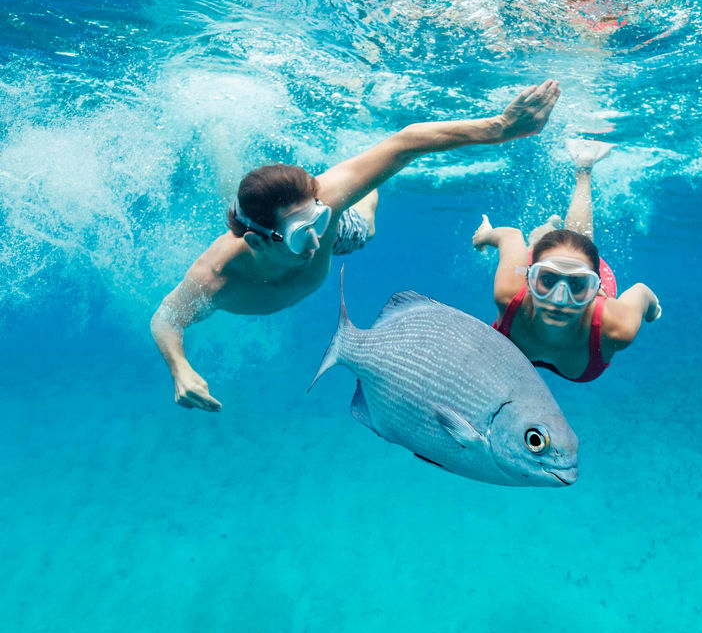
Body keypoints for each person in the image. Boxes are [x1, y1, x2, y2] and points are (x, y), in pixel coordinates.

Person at [151, 79, 561, 410]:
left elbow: (405, 144)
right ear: (258, 244)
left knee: (363, 227)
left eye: (317, 219)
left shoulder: (324, 208)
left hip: (338, 226)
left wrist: (500, 127)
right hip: (258, 230)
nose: (314, 240)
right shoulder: (215, 276)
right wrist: (179, 368)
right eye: (299, 234)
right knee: (232, 197)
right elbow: (165, 319)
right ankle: (216, 136)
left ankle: (358, 167)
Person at [472, 139, 660, 383]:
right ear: (528, 279)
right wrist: (484, 235)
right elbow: (510, 236)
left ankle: (584, 168)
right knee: (543, 245)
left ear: (596, 289)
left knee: (578, 241)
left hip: (577, 274)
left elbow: (642, 292)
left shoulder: (616, 325)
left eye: (578, 286)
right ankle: (550, 227)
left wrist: (652, 309)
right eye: (548, 281)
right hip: (544, 266)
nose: (559, 299)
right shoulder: (510, 293)